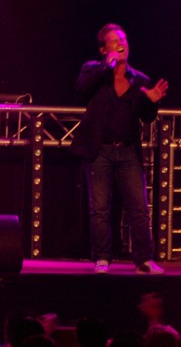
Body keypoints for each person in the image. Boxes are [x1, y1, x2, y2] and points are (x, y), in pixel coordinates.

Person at [71, 23, 168, 274]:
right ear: (104, 49)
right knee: (100, 209)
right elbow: (80, 91)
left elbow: (146, 117)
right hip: (99, 151)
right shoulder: (93, 70)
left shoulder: (140, 79)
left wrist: (152, 102)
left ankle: (144, 260)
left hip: (128, 151)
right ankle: (102, 258)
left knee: (139, 208)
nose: (121, 43)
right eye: (114, 40)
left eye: (123, 39)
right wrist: (107, 67)